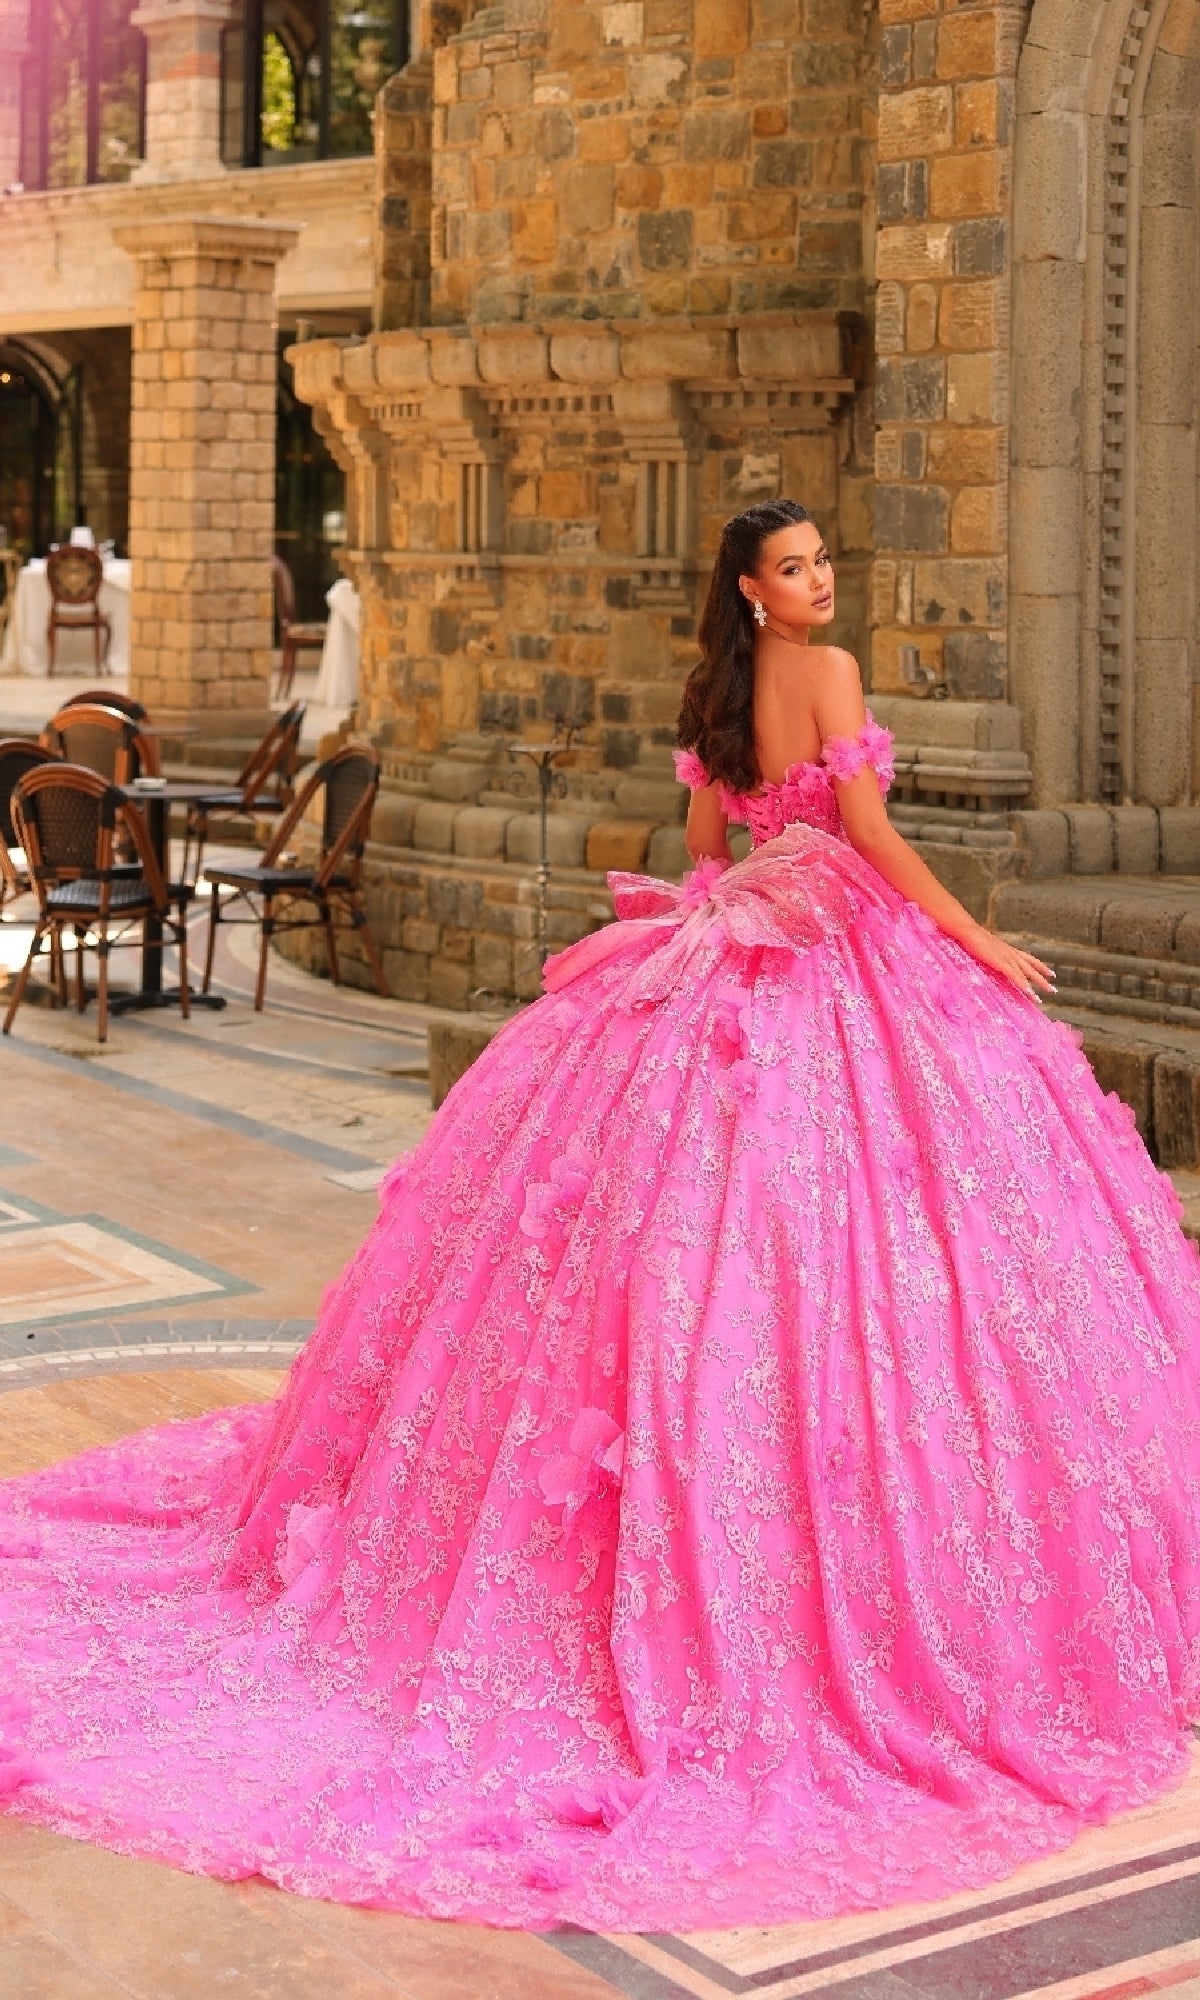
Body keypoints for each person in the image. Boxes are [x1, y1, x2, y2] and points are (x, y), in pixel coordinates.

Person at [0, 498, 1196, 1935]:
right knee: (861, 1251)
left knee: (662, 1228)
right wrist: (976, 936)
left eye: (826, 565)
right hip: (833, 948)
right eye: (801, 567)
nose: (824, 583)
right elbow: (870, 834)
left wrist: (757, 892)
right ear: (756, 588)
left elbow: (707, 849)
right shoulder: (833, 675)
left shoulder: (716, 693)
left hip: (734, 935)